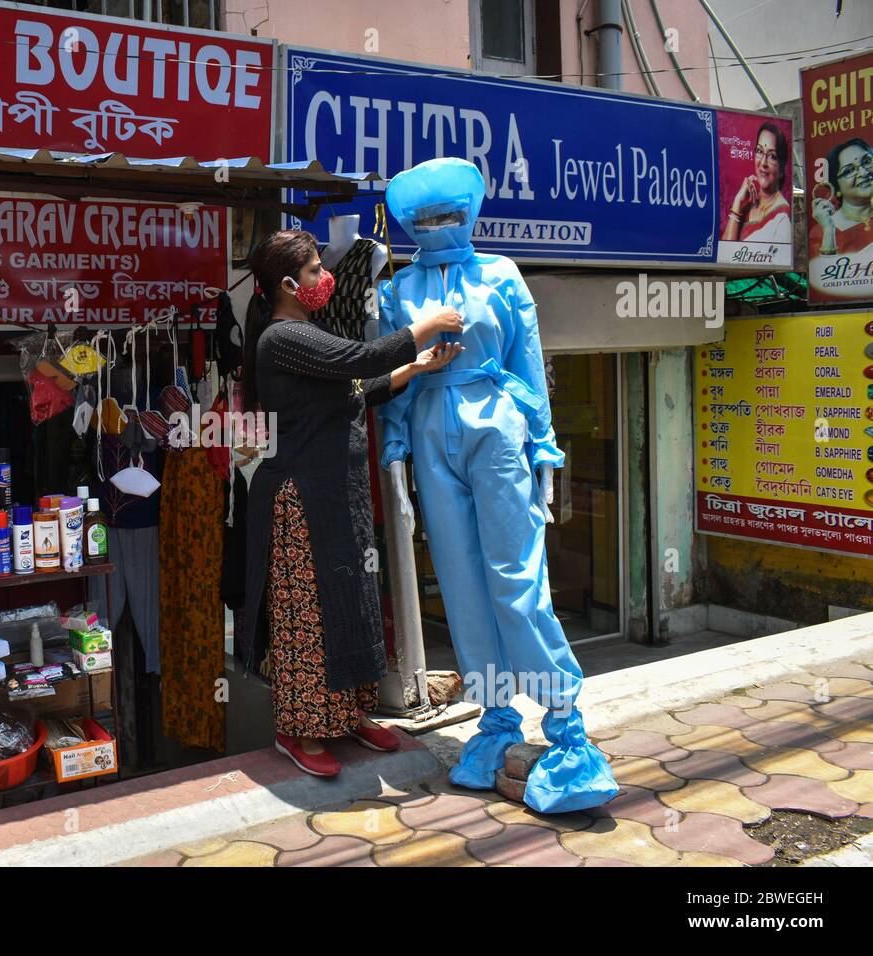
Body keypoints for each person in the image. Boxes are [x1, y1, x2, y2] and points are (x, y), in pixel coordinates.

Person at [378, 157, 617, 813]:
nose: (436, 226)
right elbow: (398, 377)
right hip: (429, 432)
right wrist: (395, 456)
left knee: (517, 582)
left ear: (470, 214)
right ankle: (496, 723)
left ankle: (568, 733)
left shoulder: (502, 273)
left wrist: (544, 450)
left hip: (497, 426)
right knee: (460, 585)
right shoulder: (399, 290)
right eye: (424, 218)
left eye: (448, 214)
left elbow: (529, 364)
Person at [241, 228, 463, 778]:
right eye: (316, 270)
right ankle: (299, 729)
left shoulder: (306, 331)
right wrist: (426, 324)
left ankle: (348, 713)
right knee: (308, 619)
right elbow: (361, 359)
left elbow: (354, 389)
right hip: (303, 499)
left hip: (338, 493)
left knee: (354, 604)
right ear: (288, 284)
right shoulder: (281, 336)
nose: (324, 277)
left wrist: (415, 369)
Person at [721, 123, 791, 243]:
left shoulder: (782, 219)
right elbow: (723, 255)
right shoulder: (747, 203)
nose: (763, 162)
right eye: (759, 151)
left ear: (781, 168)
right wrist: (738, 203)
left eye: (772, 156)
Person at [811, 137, 873, 257]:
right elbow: (822, 270)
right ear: (836, 185)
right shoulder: (822, 231)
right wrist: (829, 232)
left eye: (867, 161)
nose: (863, 173)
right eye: (849, 171)